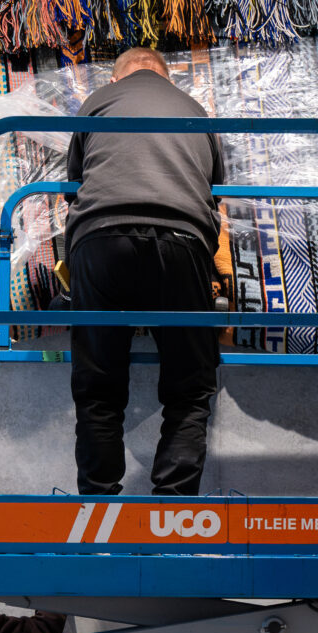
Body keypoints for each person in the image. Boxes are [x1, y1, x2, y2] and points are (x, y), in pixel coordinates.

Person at [62, 45, 229, 495]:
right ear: (166, 78)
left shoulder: (98, 101)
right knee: (190, 389)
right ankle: (172, 507)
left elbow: (72, 186)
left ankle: (99, 502)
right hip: (182, 241)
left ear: (117, 78)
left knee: (98, 387)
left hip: (101, 239)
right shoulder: (195, 109)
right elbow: (215, 193)